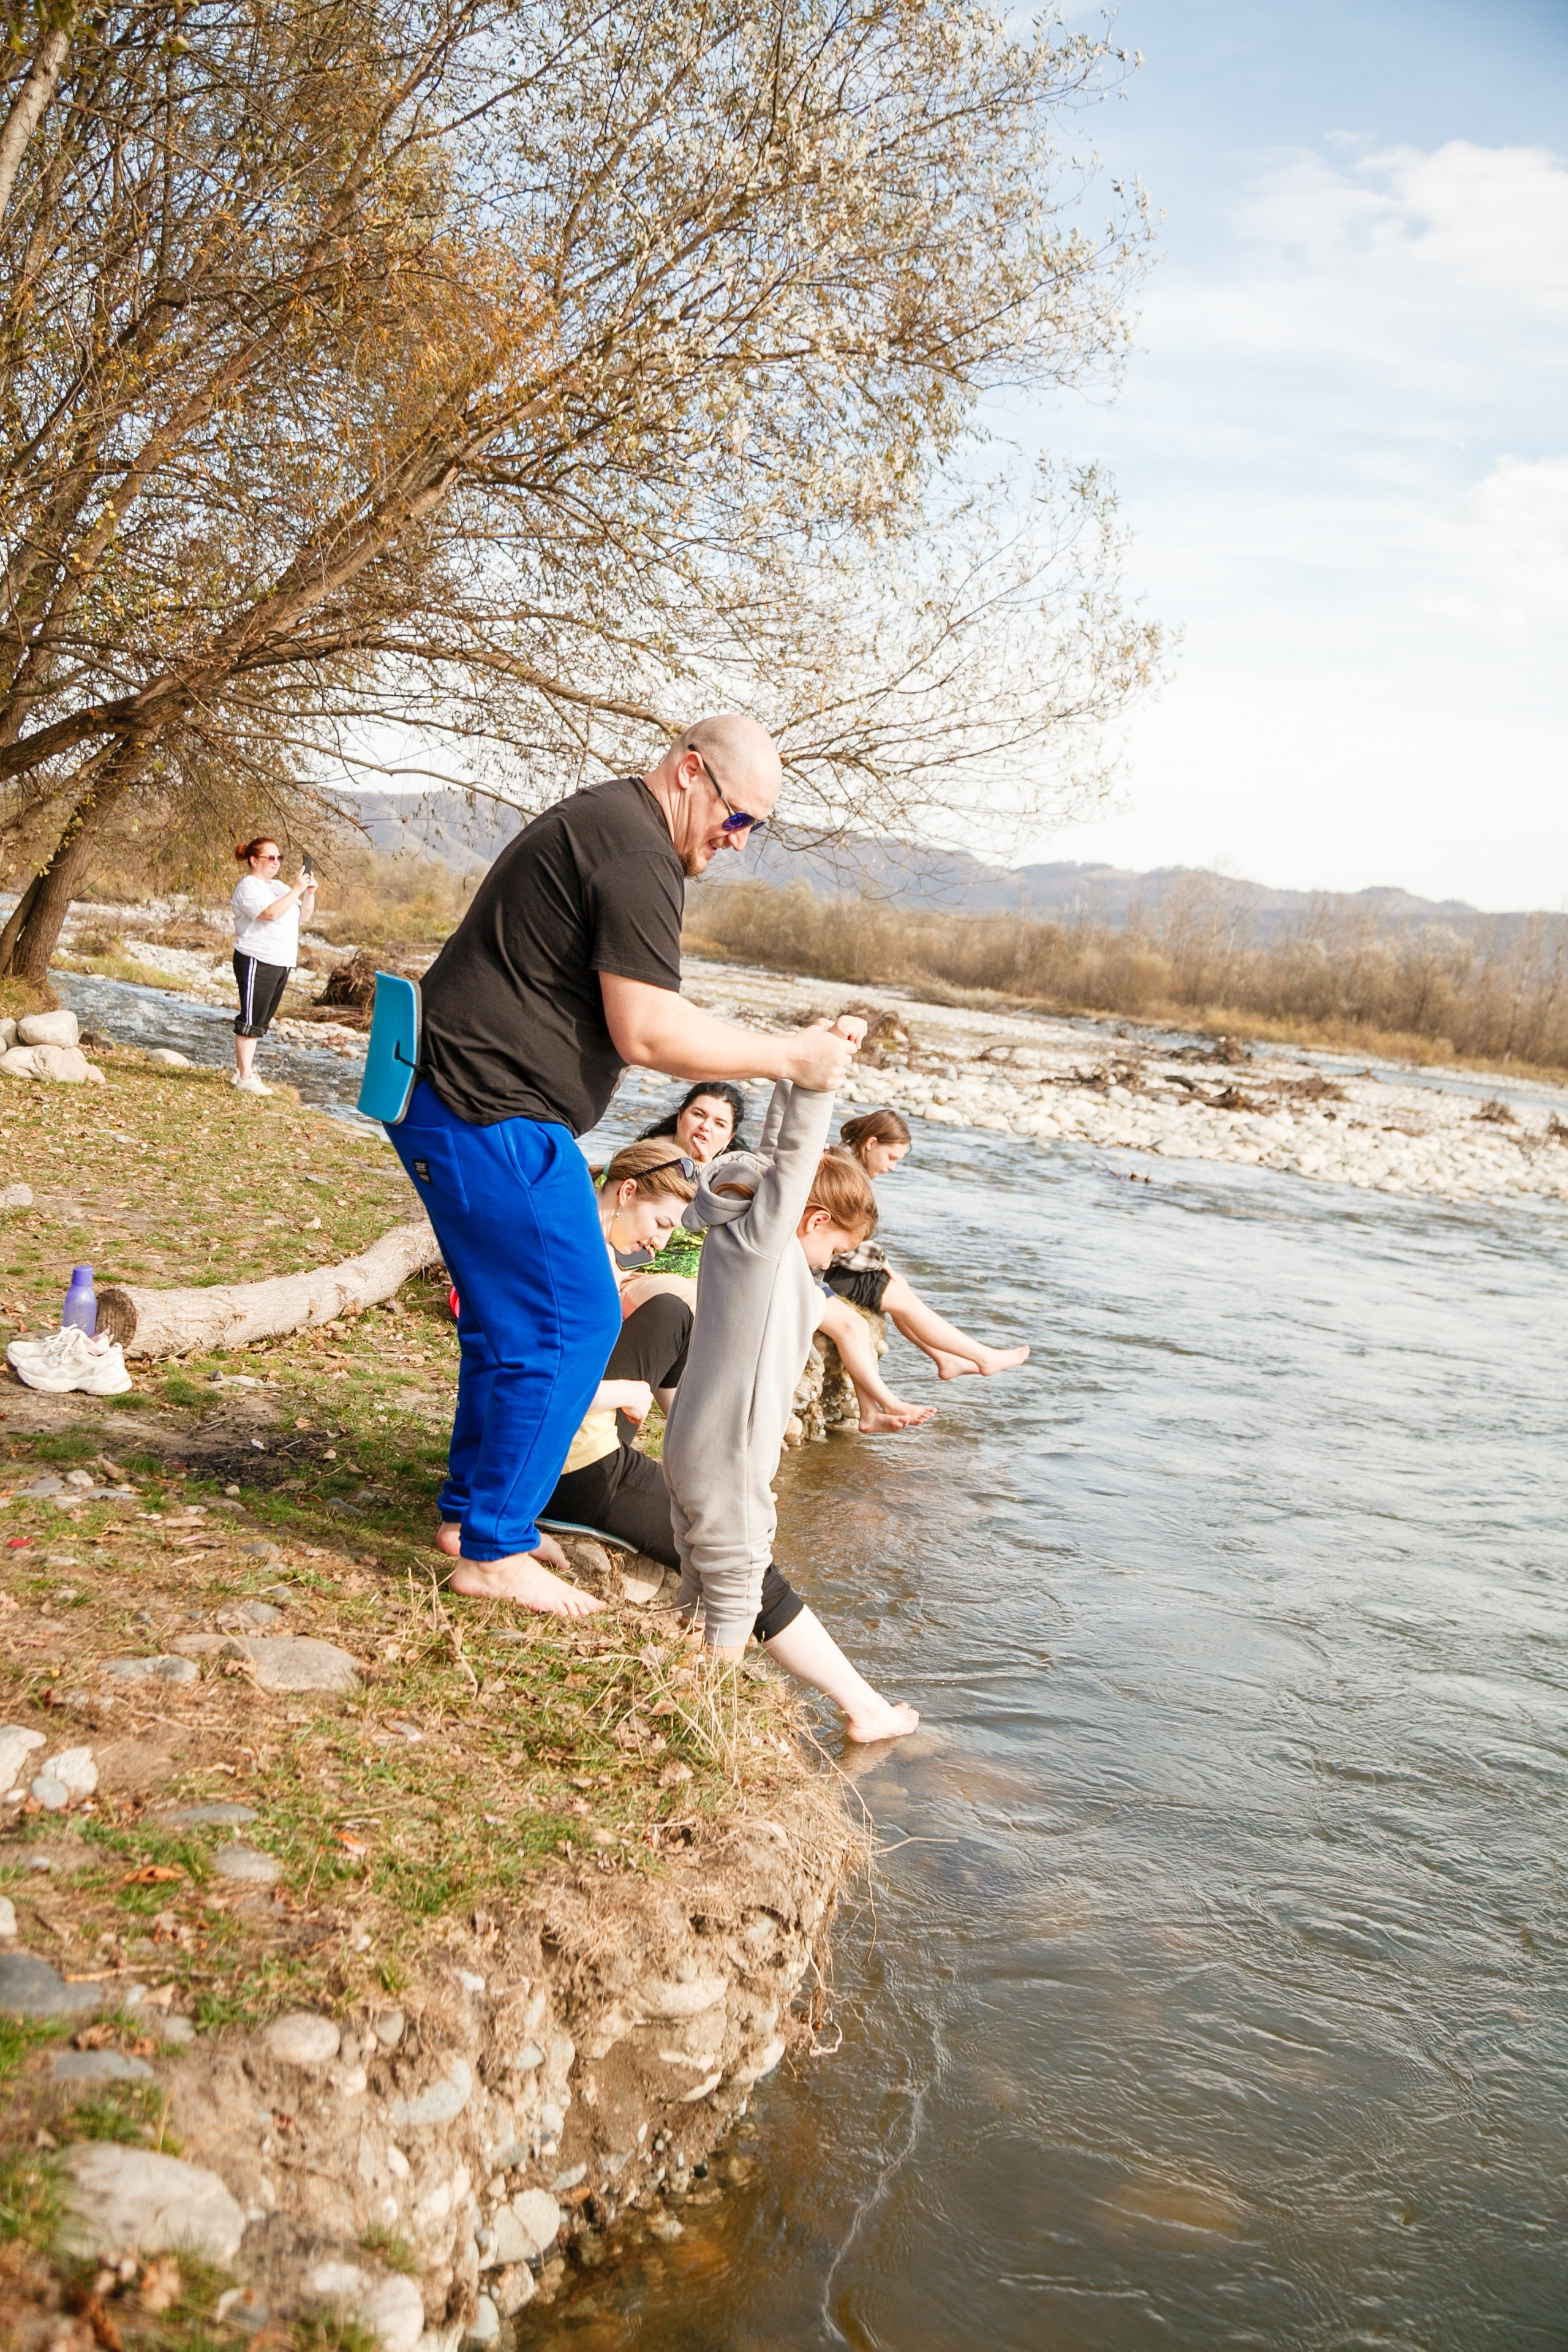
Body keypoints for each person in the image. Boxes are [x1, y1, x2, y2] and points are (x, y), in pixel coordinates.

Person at [388, 714, 860, 1616]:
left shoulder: (610, 826)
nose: (738, 841)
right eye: (737, 817)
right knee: (573, 1321)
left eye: (754, 826)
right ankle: (491, 1550)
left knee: (510, 1321)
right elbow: (646, 1031)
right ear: (690, 772)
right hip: (488, 1108)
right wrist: (791, 1057)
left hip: (462, 1099)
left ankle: (473, 1516)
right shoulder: (636, 848)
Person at [662, 1025, 920, 1743]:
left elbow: (778, 1159)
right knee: (738, 1579)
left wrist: (800, 1073)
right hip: (732, 1450)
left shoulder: (737, 1242)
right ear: (808, 1220)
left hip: (691, 1436)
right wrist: (816, 1081)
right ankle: (703, 1718)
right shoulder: (763, 1250)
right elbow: (795, 1158)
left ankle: (675, 1673)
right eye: (837, 1247)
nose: (836, 1261)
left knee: (699, 1568)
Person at [827, 1108, 1031, 1381]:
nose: (892, 1167)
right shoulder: (844, 1172)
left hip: (829, 1261)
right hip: (822, 1267)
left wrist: (883, 1265)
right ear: (871, 1143)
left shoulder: (843, 1163)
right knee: (899, 1294)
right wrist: (882, 1263)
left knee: (897, 1289)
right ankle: (984, 1358)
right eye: (891, 1157)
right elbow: (840, 1239)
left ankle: (945, 1358)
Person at [633, 1082, 750, 1280]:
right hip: (644, 1272)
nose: (705, 1127)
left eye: (719, 1124)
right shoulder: (646, 1157)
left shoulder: (735, 1173)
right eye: (698, 1115)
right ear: (680, 1116)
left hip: (708, 1282)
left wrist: (707, 1173)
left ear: (729, 1138)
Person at [230, 837, 314, 1095]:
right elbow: (269, 914)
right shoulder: (248, 887)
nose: (276, 862)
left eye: (279, 858)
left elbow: (305, 916)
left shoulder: (279, 887)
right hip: (257, 957)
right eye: (270, 858)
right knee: (251, 1018)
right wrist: (297, 890)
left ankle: (240, 1072)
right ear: (254, 860)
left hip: (281, 961)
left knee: (262, 1019)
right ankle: (245, 1077)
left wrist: (308, 893)